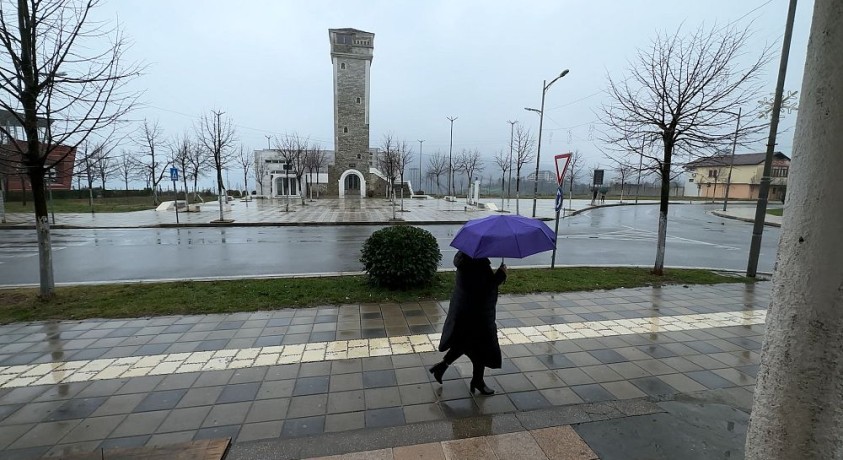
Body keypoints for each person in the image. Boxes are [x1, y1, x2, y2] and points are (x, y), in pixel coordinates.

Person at [429, 251, 507, 395]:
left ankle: (443, 368)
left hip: (466, 311)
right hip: (476, 314)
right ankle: (477, 381)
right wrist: (500, 275)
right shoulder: (476, 264)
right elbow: (483, 289)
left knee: (466, 344)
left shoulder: (466, 259)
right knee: (479, 347)